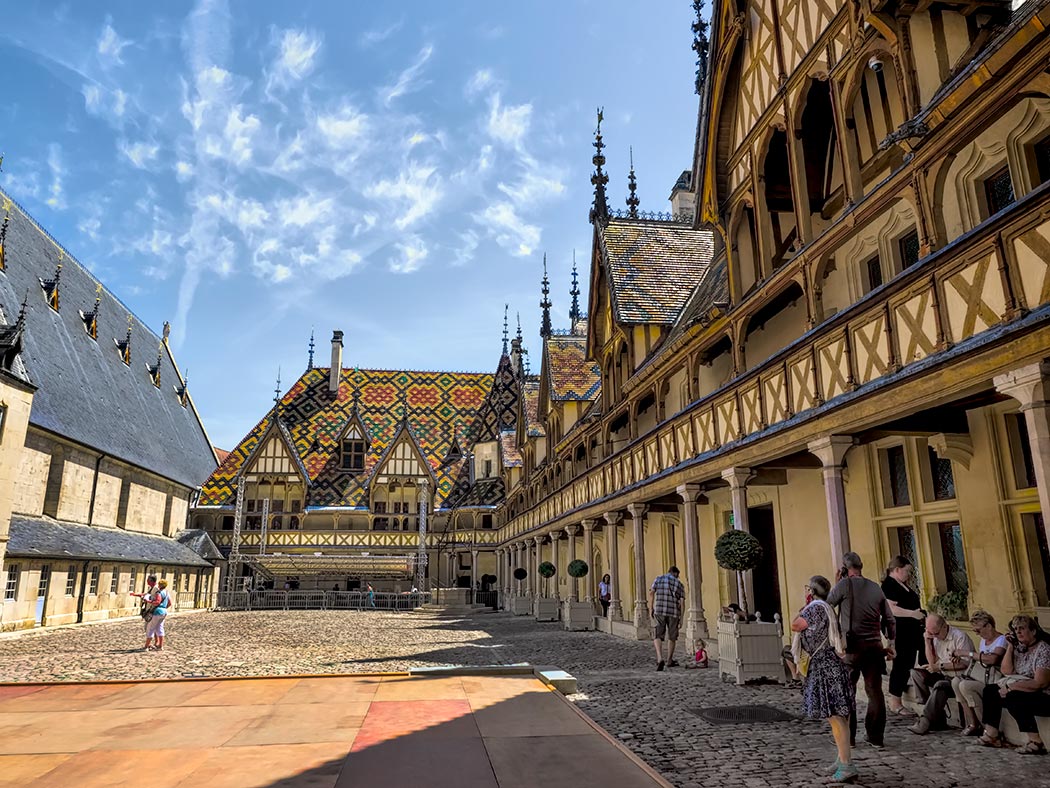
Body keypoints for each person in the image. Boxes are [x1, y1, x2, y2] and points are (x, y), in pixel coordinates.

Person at [827, 552, 896, 749]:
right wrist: (891, 643)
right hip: (874, 646)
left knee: (847, 691)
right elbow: (890, 619)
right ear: (861, 566)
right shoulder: (875, 587)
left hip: (852, 647)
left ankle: (848, 738)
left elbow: (827, 605)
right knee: (874, 691)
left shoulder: (844, 585)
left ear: (845, 568)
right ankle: (875, 737)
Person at [792, 575, 857, 783]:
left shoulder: (814, 608)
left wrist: (803, 607)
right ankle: (841, 758)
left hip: (823, 666)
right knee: (839, 716)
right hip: (831, 663)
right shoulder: (826, 607)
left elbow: (796, 625)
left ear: (811, 591)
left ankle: (846, 764)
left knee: (836, 716)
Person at [978, 614, 1050, 753]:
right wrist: (1010, 646)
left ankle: (1036, 742)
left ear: (1033, 631)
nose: (1018, 632)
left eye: (1022, 629)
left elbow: (1040, 683)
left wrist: (1010, 687)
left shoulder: (1044, 650)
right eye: (1016, 629)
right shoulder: (1020, 648)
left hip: (1044, 695)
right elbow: (1007, 671)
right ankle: (992, 734)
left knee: (1014, 697)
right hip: (1025, 689)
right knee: (990, 691)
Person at [908, 613, 972, 734]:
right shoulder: (935, 638)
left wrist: (940, 666)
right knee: (916, 674)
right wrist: (927, 642)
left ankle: (925, 721)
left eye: (936, 633)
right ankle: (934, 716)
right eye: (931, 633)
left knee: (940, 685)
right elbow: (932, 662)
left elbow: (965, 664)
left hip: (958, 677)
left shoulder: (959, 637)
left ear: (944, 626)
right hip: (943, 673)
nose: (935, 636)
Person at [952, 610, 1007, 735]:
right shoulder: (983, 641)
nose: (977, 634)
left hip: (995, 680)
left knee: (965, 685)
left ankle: (986, 727)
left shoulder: (1001, 640)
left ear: (988, 626)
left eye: (978, 630)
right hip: (982, 677)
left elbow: (993, 659)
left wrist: (967, 653)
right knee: (955, 682)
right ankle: (972, 723)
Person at [881, 556, 923, 717]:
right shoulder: (889, 586)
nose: (909, 574)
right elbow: (890, 609)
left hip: (910, 631)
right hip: (900, 632)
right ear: (897, 570)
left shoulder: (901, 585)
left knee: (908, 662)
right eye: (907, 571)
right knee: (901, 664)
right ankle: (895, 702)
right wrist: (912, 614)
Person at [648, 566, 685, 671]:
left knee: (657, 635)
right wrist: (681, 618)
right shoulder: (679, 584)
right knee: (672, 637)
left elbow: (651, 593)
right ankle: (669, 660)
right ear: (675, 574)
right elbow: (682, 602)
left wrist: (651, 607)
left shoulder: (658, 579)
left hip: (659, 610)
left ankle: (660, 658)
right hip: (673, 612)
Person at [131, 574, 159, 651]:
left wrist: (149, 601)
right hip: (149, 609)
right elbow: (146, 595)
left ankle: (148, 645)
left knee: (149, 628)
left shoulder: (156, 589)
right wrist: (136, 595)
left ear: (151, 581)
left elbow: (157, 599)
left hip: (152, 610)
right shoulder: (151, 588)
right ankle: (156, 643)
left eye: (148, 579)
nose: (147, 581)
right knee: (153, 628)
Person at [145, 579, 171, 651]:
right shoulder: (167, 592)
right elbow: (169, 603)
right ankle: (160, 645)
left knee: (151, 628)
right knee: (160, 628)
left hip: (157, 612)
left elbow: (157, 602)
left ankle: (146, 646)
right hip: (164, 612)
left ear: (160, 585)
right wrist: (163, 608)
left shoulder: (159, 592)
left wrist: (148, 601)